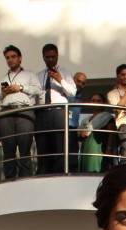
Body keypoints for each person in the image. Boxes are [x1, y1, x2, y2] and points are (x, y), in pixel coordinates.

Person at [0, 45, 40, 180]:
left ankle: (26, 178)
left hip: (24, 110)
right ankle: (10, 178)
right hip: (6, 112)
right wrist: (3, 92)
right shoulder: (2, 78)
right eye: (7, 58)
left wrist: (21, 88)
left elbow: (38, 90)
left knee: (25, 148)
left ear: (20, 58)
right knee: (8, 149)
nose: (10, 60)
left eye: (13, 57)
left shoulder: (30, 74)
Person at [35, 43, 77, 175]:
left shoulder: (65, 72)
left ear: (57, 56)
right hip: (42, 112)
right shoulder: (38, 75)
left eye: (53, 57)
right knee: (43, 145)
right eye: (47, 57)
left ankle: (60, 173)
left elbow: (72, 92)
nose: (50, 60)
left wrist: (60, 80)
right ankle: (43, 174)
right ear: (43, 58)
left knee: (60, 145)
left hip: (58, 111)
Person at [77, 94, 109, 173]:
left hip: (98, 150)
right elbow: (78, 136)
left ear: (103, 103)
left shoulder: (107, 117)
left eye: (99, 101)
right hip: (85, 149)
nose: (96, 102)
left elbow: (112, 134)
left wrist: (109, 148)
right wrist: (81, 133)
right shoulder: (85, 120)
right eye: (93, 100)